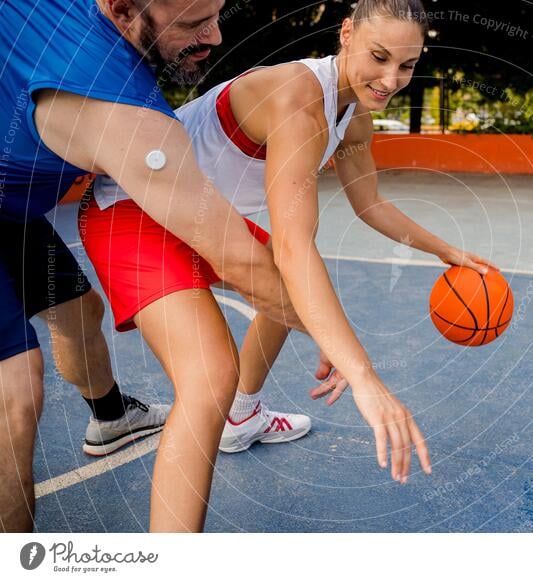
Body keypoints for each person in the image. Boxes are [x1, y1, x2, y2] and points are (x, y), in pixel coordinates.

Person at [85, 0, 495, 506]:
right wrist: (364, 376)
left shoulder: (355, 117)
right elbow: (296, 247)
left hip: (206, 221)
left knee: (296, 282)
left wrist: (446, 251)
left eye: (406, 66)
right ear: (346, 34)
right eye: (380, 56)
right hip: (133, 209)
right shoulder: (300, 98)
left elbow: (371, 205)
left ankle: (244, 414)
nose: (391, 79)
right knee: (210, 377)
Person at [0, 0, 305, 532]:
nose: (213, 35)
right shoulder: (120, 109)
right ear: (120, 10)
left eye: (217, 12)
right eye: (192, 24)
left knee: (78, 313)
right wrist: (352, 360)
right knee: (15, 395)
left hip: (14, 210)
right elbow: (237, 259)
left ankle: (112, 417)